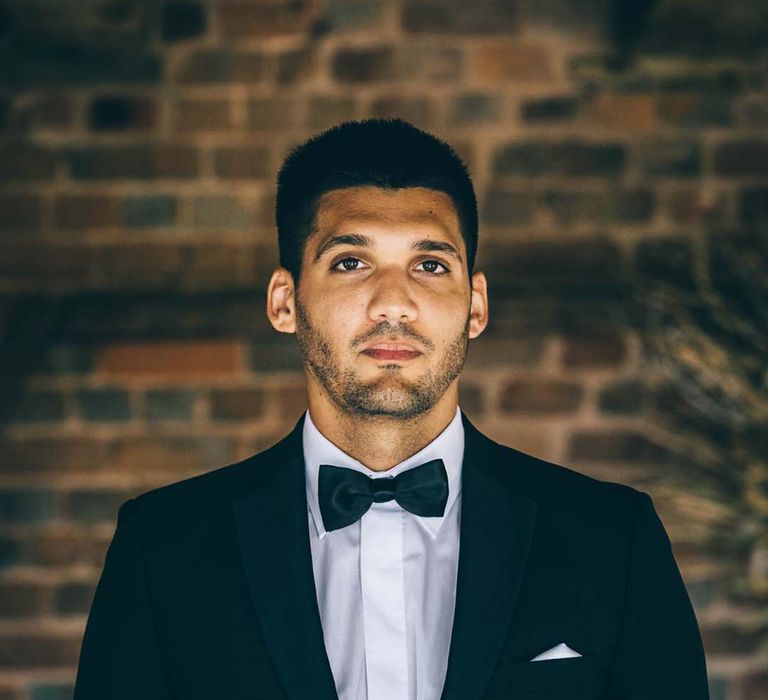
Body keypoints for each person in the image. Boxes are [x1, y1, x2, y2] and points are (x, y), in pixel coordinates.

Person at [74, 119, 710, 700]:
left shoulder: (612, 539)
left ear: (476, 306)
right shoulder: (162, 549)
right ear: (284, 301)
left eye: (429, 265)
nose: (394, 303)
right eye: (352, 262)